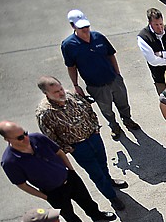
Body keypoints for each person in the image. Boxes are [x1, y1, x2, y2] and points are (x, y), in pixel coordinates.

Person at [1, 121, 115, 222]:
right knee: (69, 214)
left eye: (25, 133)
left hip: (70, 179)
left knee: (87, 201)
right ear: (7, 139)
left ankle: (96, 214)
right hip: (52, 192)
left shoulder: (38, 138)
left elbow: (59, 152)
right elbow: (22, 184)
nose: (26, 138)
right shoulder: (10, 162)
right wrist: (45, 197)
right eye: (20, 137)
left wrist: (71, 171)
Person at [35, 76, 127, 212]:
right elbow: (51, 138)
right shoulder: (45, 113)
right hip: (78, 147)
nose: (61, 93)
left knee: (102, 163)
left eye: (60, 88)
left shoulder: (71, 95)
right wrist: (69, 148)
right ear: (46, 93)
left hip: (93, 138)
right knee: (95, 173)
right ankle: (111, 197)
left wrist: (96, 129)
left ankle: (109, 181)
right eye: (56, 92)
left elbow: (89, 111)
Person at [61, 10, 140, 141]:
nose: (86, 30)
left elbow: (111, 55)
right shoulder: (68, 45)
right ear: (73, 26)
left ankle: (127, 120)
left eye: (87, 26)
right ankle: (114, 127)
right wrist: (76, 85)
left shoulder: (99, 37)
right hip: (96, 86)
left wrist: (118, 74)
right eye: (81, 28)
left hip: (114, 80)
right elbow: (71, 67)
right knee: (106, 110)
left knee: (123, 104)